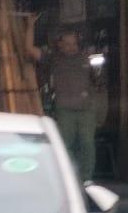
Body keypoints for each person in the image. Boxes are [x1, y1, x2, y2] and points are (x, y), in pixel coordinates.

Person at [33, 29, 98, 181]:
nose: (72, 47)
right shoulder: (53, 59)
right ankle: (70, 176)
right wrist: (30, 26)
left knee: (87, 143)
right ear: (60, 45)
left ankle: (86, 179)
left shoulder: (87, 58)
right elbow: (29, 50)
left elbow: (99, 80)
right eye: (67, 44)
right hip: (64, 109)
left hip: (86, 108)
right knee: (64, 144)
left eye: (74, 43)